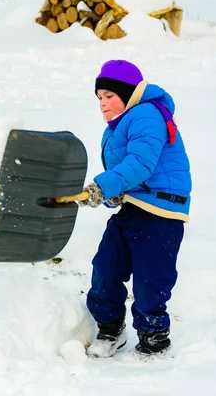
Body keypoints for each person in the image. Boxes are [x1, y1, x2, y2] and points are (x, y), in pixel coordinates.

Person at [78, 59, 192, 357]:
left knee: (150, 277)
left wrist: (102, 187)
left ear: (129, 94)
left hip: (162, 211)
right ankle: (111, 328)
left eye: (110, 96)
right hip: (135, 207)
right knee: (106, 266)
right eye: (99, 98)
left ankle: (153, 337)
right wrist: (112, 195)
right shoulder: (116, 128)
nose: (103, 104)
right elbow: (128, 174)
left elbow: (140, 164)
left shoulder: (146, 114)